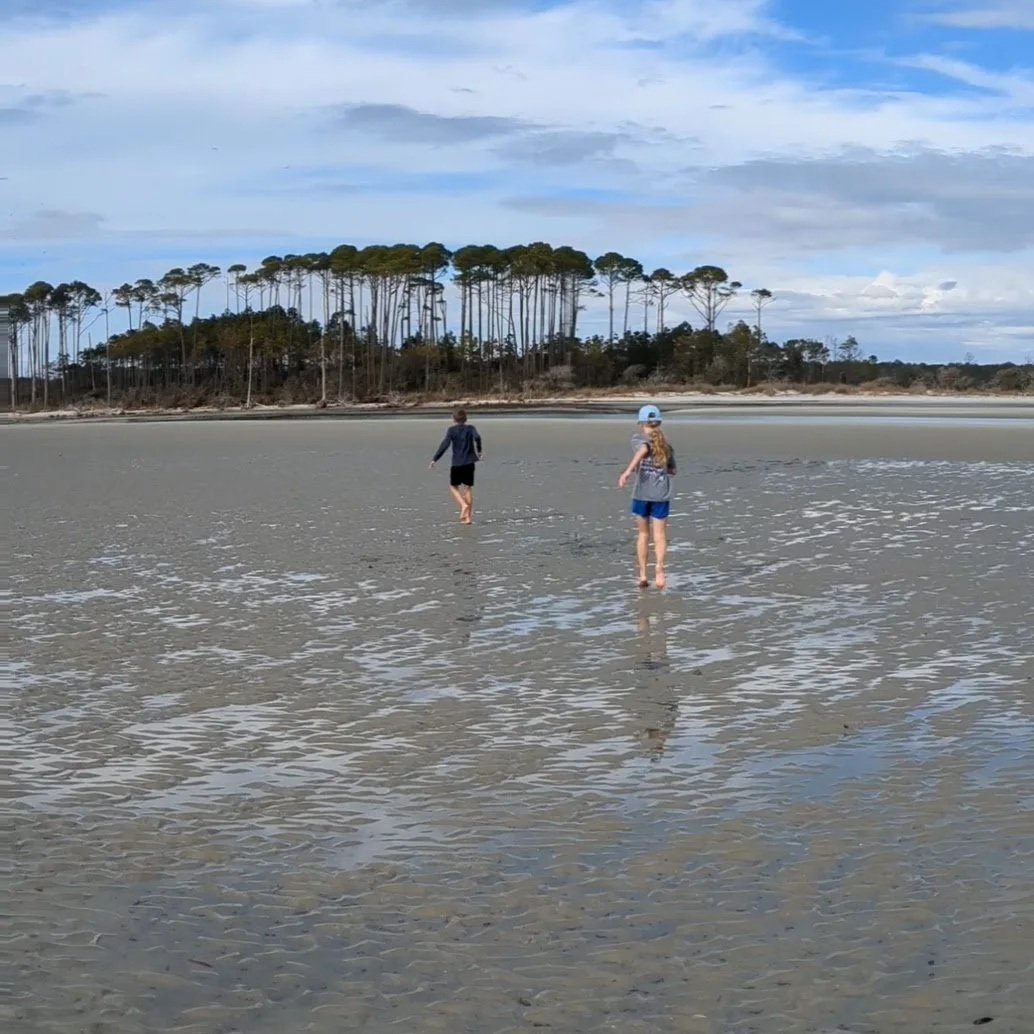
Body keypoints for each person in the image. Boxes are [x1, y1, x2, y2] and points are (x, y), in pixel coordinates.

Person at [618, 404, 676, 589]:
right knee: (660, 535)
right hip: (661, 495)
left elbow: (643, 449)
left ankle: (643, 575)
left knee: (643, 534)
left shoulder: (638, 439)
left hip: (642, 494)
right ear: (658, 422)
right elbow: (673, 471)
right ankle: (659, 569)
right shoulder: (667, 447)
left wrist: (627, 471)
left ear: (641, 423)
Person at [429, 407, 483, 524]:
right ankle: (468, 518)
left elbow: (445, 444)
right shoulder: (471, 428)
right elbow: (477, 437)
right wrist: (479, 451)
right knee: (468, 488)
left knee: (453, 487)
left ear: (454, 419)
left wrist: (435, 458)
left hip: (457, 463)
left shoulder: (451, 430)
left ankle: (463, 505)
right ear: (465, 418)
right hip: (469, 462)